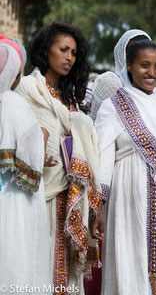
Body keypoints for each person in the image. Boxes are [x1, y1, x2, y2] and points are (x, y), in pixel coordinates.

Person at [93, 39, 156, 294]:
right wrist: (97, 207)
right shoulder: (114, 105)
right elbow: (104, 157)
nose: (152, 73)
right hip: (129, 193)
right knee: (131, 256)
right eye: (144, 65)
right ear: (128, 65)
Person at [16, 22, 102, 294]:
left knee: (66, 278)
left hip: (71, 197)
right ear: (45, 51)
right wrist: (33, 155)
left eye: (74, 53)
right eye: (63, 50)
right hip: (39, 194)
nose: (69, 58)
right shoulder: (28, 90)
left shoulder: (70, 99)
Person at [0, 39, 52, 293]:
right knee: (15, 254)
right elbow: (31, 164)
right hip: (14, 199)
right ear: (16, 74)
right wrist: (42, 136)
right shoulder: (16, 104)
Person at [89, 29, 151, 120]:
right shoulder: (112, 84)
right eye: (133, 54)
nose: (140, 59)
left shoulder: (152, 91)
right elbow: (98, 124)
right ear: (123, 56)